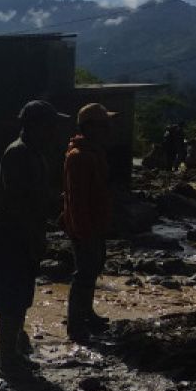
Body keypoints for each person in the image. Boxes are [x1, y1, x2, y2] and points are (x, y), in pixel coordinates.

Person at [0, 99, 68, 372]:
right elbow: (20, 202)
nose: (53, 132)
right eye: (50, 126)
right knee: (12, 296)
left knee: (20, 295)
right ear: (35, 126)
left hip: (22, 232)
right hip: (13, 234)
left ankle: (10, 350)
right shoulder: (19, 153)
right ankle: (7, 357)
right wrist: (35, 235)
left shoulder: (33, 152)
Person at [62, 103, 118, 343]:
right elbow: (77, 199)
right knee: (84, 274)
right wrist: (84, 230)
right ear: (90, 128)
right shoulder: (79, 157)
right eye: (104, 125)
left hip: (97, 223)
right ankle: (75, 325)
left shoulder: (95, 152)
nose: (108, 129)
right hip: (85, 226)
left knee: (92, 270)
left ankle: (87, 314)